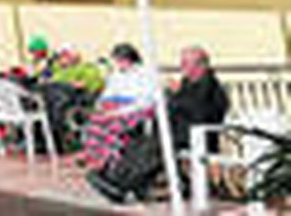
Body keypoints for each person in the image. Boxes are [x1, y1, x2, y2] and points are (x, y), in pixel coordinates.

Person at [87, 45, 230, 205]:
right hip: (178, 131)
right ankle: (116, 178)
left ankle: (123, 184)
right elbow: (178, 105)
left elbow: (201, 113)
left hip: (196, 136)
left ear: (201, 65)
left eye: (186, 63)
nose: (182, 67)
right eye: (182, 63)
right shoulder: (189, 83)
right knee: (138, 142)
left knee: (154, 147)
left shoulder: (209, 85)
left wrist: (177, 97)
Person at [81, 43, 160, 197]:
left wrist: (118, 110)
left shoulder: (143, 74)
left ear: (130, 59)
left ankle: (112, 162)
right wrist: (103, 106)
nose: (119, 64)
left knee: (113, 126)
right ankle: (101, 161)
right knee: (95, 124)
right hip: (116, 107)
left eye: (121, 60)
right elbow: (107, 93)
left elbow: (145, 100)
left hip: (136, 109)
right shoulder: (117, 74)